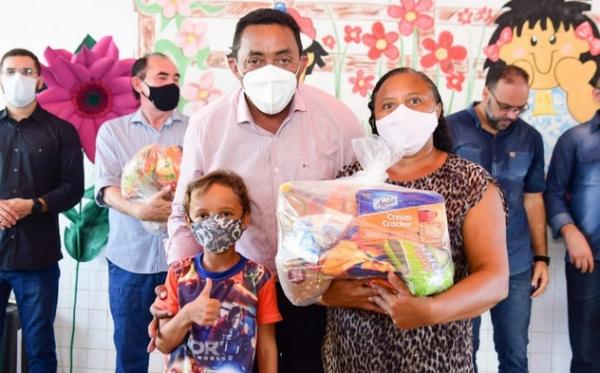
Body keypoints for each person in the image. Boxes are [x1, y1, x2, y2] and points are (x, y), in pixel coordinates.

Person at [156, 8, 364, 373]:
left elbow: (359, 207)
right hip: (233, 292)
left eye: (283, 58)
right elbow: (183, 213)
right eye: (256, 59)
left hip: (316, 295)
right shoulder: (207, 126)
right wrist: (177, 287)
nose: (271, 70)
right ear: (234, 65)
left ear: (302, 63)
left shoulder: (338, 120)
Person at [320, 67, 509, 372]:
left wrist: (430, 310)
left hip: (436, 360)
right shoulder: (351, 180)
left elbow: (495, 281)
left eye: (415, 101)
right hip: (351, 357)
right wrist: (325, 294)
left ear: (437, 110)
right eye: (389, 105)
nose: (401, 114)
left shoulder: (471, 182)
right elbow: (317, 261)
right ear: (376, 119)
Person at [446, 64, 549, 373]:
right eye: (505, 106)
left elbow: (533, 199)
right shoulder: (449, 130)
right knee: (464, 351)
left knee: (515, 352)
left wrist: (542, 257)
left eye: (520, 108)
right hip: (461, 265)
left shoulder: (531, 139)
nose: (512, 115)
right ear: (485, 93)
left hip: (515, 265)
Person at [94, 52, 188, 372]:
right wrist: (140, 210)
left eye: (175, 79)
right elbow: (106, 189)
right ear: (139, 84)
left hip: (183, 262)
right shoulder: (113, 132)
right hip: (129, 263)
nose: (171, 85)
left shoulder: (195, 130)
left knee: (186, 354)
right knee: (131, 353)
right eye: (162, 78)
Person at [0, 48, 84, 373]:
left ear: (39, 80)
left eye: (26, 71)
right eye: (10, 71)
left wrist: (33, 206)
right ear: (1, 79)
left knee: (40, 349)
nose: (18, 78)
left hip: (37, 259)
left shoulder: (61, 132)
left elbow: (72, 188)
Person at [155, 170, 280, 373]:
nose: (214, 223)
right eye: (203, 215)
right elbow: (163, 343)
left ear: (245, 218)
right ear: (189, 221)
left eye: (226, 213)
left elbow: (266, 348)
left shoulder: (259, 278)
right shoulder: (178, 274)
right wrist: (187, 314)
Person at [545, 79, 600, 373]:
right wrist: (570, 232)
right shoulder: (574, 140)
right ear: (596, 94)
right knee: (587, 355)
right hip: (588, 259)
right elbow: (552, 193)